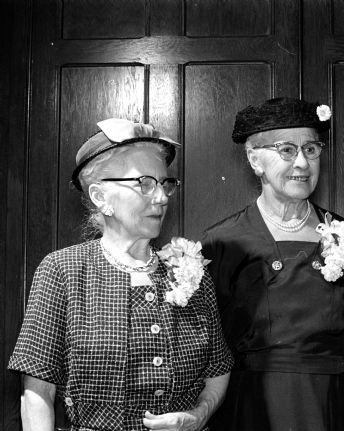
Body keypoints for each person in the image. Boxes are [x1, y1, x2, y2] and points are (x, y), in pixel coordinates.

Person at [8, 118, 233, 431]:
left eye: (164, 183)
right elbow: (37, 391)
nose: (162, 197)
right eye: (144, 183)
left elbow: (218, 369)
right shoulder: (63, 271)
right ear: (101, 197)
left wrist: (199, 416)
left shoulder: (191, 270)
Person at [200, 97, 344, 431]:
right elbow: (209, 348)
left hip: (341, 405)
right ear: (255, 160)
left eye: (311, 149)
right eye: (286, 150)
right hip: (257, 410)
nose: (302, 162)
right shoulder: (221, 243)